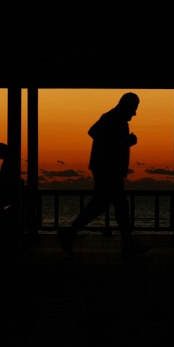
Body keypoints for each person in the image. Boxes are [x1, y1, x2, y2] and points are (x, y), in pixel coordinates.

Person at [58, 93, 146, 257]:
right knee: (113, 206)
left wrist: (123, 141)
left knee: (109, 206)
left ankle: (71, 233)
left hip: (108, 170)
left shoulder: (113, 118)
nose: (134, 113)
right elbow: (94, 132)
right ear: (126, 106)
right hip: (108, 171)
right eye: (134, 109)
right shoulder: (112, 118)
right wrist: (126, 142)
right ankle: (70, 233)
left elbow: (100, 135)